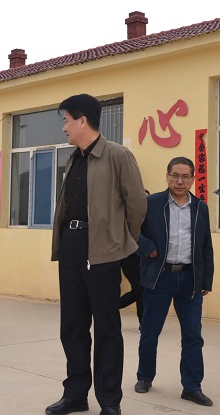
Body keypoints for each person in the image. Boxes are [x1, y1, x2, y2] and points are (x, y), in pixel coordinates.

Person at [48, 94, 147, 415]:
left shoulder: (118, 155)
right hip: (71, 246)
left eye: (66, 120)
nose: (63, 128)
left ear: (82, 121)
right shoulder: (73, 159)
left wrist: (118, 242)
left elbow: (137, 206)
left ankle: (110, 401)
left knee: (106, 329)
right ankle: (76, 394)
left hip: (103, 251)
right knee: (72, 326)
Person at [135, 157, 214, 407]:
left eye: (185, 176)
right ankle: (145, 376)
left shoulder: (201, 207)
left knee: (193, 335)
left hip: (190, 279)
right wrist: (147, 247)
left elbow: (206, 246)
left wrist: (206, 279)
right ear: (167, 176)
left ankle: (192, 386)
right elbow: (131, 229)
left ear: (193, 179)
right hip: (160, 276)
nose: (180, 181)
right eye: (175, 175)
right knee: (150, 332)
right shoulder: (151, 203)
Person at [118, 189, 150, 328]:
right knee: (140, 290)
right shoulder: (128, 217)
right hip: (130, 258)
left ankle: (108, 307)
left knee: (138, 291)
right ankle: (144, 323)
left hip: (144, 259)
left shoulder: (149, 218)